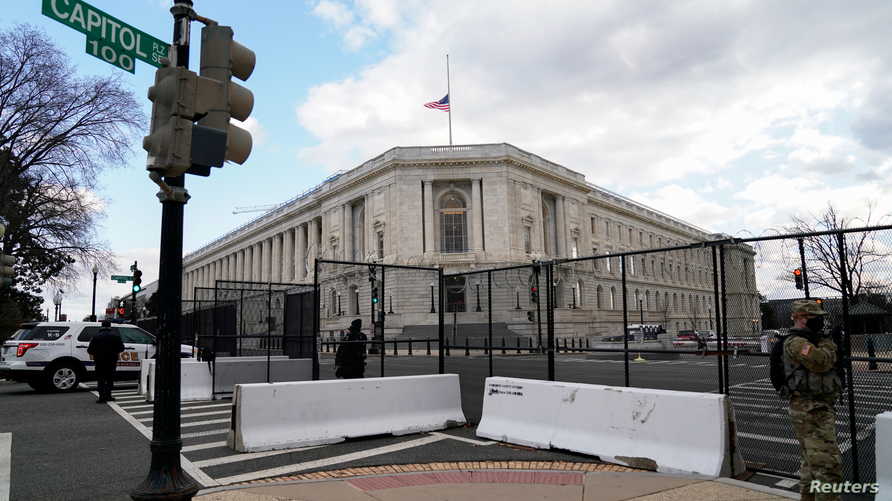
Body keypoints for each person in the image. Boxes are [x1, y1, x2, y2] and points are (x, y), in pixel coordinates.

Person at [782, 300, 843, 501]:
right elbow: (821, 362)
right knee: (827, 469)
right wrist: (828, 342)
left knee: (810, 465)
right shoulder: (797, 343)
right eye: (814, 317)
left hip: (814, 407)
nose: (819, 321)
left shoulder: (810, 339)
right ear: (800, 318)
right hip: (810, 410)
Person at [87, 320, 125, 403]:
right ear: (110, 326)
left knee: (101, 379)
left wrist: (97, 353)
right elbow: (121, 348)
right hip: (111, 361)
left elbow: (90, 350)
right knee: (110, 379)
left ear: (102, 326)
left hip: (99, 361)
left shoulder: (96, 337)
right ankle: (108, 395)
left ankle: (101, 397)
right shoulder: (116, 336)